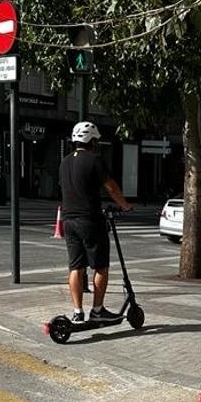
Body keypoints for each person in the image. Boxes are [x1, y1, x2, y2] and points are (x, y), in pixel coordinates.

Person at [59, 122, 132, 322]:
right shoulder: (94, 160)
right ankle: (97, 311)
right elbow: (110, 187)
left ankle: (77, 312)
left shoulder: (64, 162)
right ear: (92, 140)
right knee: (101, 267)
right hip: (89, 220)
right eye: (96, 140)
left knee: (76, 267)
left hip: (68, 221)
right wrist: (124, 205)